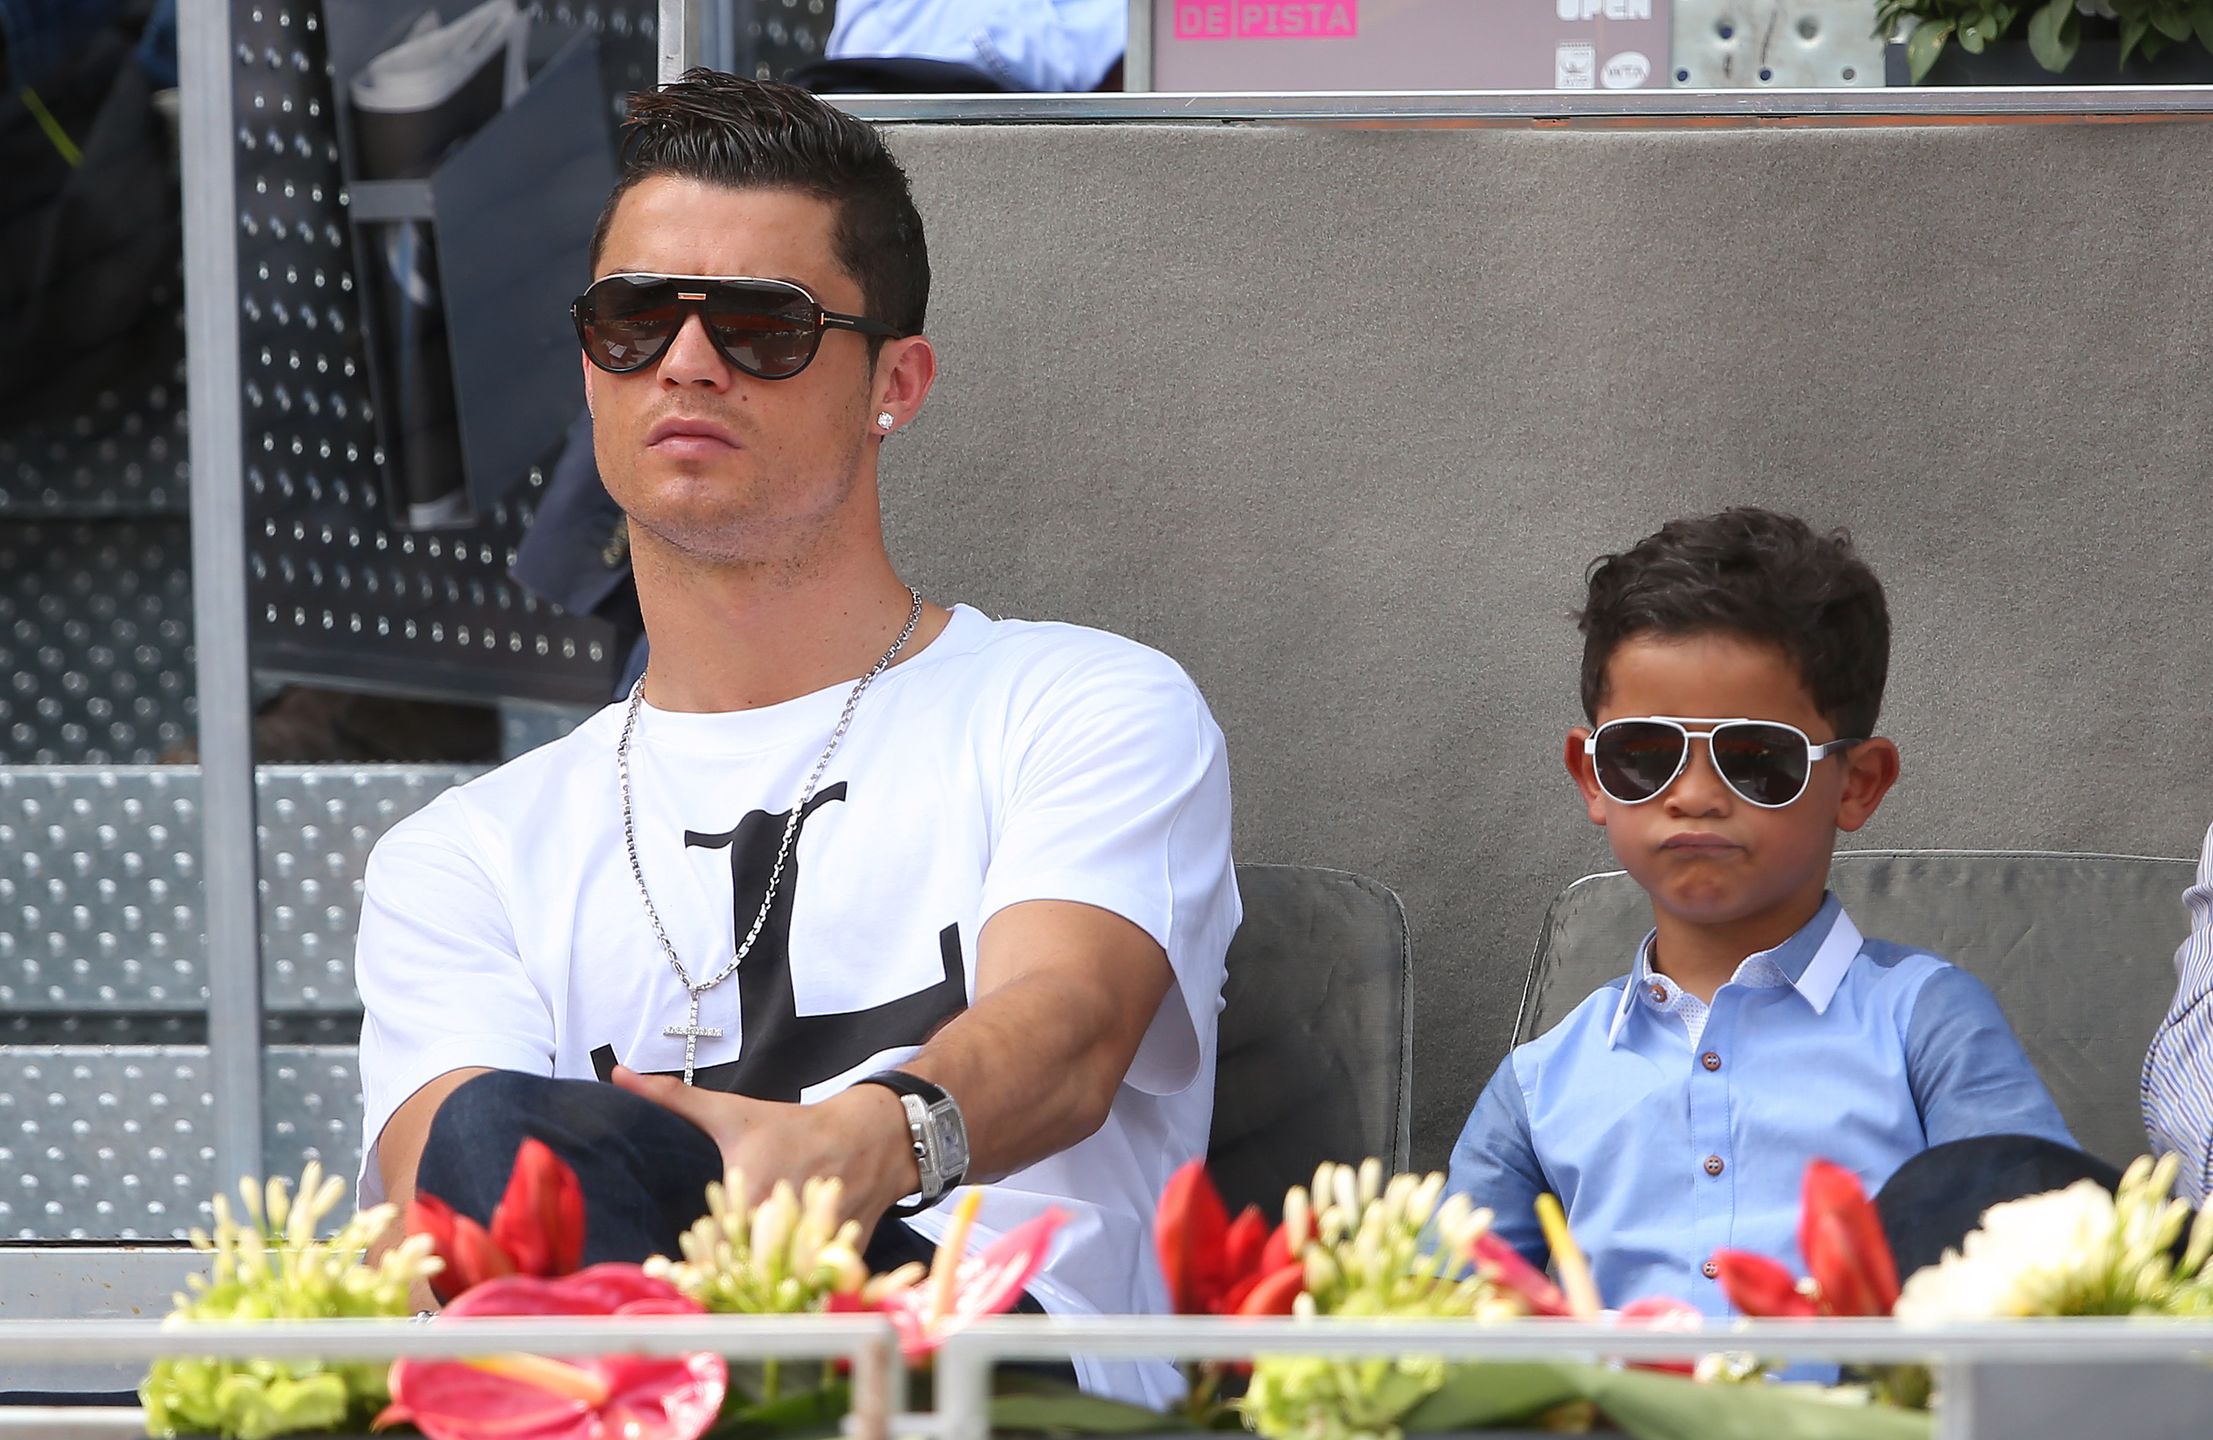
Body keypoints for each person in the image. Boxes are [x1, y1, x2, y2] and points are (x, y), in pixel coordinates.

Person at [353, 72, 1239, 1405]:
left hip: (987, 1373)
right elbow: (457, 1205)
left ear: (897, 380)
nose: (687, 362)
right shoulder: (464, 855)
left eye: (764, 326)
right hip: (619, 1389)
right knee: (494, 1141)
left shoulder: (1079, 705)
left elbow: (1064, 1034)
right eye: (635, 318)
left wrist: (862, 1146)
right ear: (588, 367)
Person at [1444, 507, 2071, 1312]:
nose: (1695, 796)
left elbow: (2044, 1269)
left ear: (1857, 783)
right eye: (1644, 754)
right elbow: (1443, 1329)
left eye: (1755, 760)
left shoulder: (1924, 1023)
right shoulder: (1538, 1084)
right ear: (1590, 775)